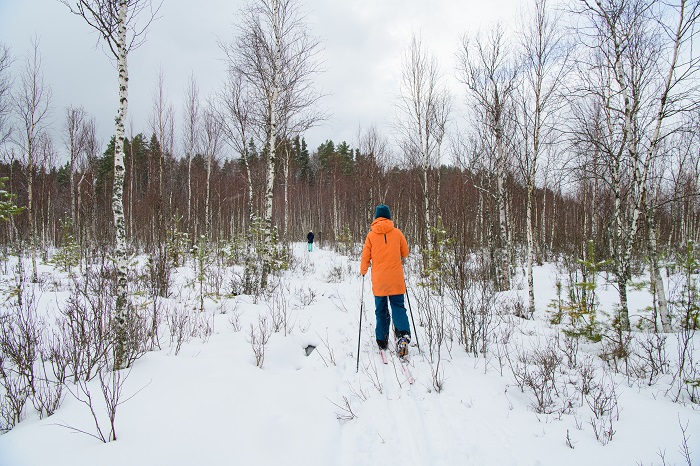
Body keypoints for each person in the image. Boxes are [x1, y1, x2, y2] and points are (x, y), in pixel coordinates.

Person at [360, 204, 411, 357]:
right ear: (389, 217)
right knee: (398, 307)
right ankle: (402, 337)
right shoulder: (397, 233)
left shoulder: (371, 236)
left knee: (381, 310)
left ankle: (382, 340)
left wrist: (363, 271)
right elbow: (405, 253)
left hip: (379, 281)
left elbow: (365, 257)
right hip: (396, 279)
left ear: (376, 218)